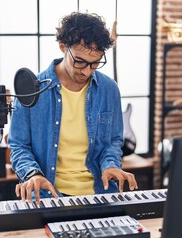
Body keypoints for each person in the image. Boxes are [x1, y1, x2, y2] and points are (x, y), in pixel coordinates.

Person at [8, 11, 137, 204]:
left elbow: (113, 141)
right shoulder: (31, 89)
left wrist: (110, 165)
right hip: (47, 195)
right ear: (62, 47)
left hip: (100, 194)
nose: (86, 71)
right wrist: (32, 173)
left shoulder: (109, 89)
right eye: (79, 61)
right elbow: (18, 146)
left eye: (95, 64)